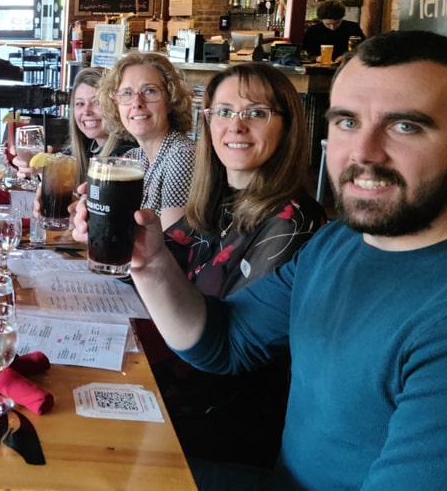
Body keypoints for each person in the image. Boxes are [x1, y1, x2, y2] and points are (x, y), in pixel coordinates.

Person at [100, 30, 447, 491]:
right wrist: (149, 260)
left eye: (405, 126)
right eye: (348, 122)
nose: (363, 152)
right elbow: (225, 343)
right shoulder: (336, 244)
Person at [141, 63, 328, 480]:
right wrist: (113, 235)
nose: (236, 126)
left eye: (256, 113)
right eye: (223, 112)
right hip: (178, 392)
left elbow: (230, 355)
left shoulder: (293, 219)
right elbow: (157, 268)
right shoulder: (216, 201)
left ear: (287, 126)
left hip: (225, 429)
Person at [97, 51, 195, 229]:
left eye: (149, 91)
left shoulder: (182, 154)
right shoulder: (134, 158)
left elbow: (171, 239)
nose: (137, 102)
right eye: (127, 93)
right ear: (115, 105)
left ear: (170, 101)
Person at [301, 0, 365, 62]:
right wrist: (316, 58)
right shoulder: (313, 31)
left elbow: (364, 49)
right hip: (320, 66)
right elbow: (304, 53)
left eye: (336, 23)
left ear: (342, 18)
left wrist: (348, 56)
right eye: (328, 24)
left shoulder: (353, 27)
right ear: (321, 20)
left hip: (347, 65)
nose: (332, 27)